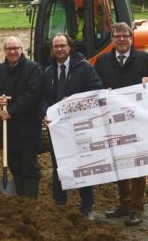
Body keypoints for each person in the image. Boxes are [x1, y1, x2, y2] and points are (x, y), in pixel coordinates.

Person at [94, 22, 148, 227]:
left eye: (125, 36)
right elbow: (97, 88)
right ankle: (123, 203)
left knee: (138, 164)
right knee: (119, 163)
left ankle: (136, 208)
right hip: (113, 122)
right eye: (117, 36)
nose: (121, 39)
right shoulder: (102, 61)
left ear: (132, 38)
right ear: (112, 39)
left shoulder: (146, 59)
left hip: (137, 121)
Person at [41, 33, 103, 219]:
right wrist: (44, 113)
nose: (59, 49)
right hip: (58, 129)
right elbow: (43, 97)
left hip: (80, 126)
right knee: (59, 167)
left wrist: (75, 101)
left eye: (62, 45)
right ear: (52, 50)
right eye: (56, 46)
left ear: (70, 47)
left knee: (83, 165)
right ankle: (60, 205)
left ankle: (87, 206)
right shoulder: (48, 72)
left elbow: (96, 89)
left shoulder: (84, 68)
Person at [0, 36, 43, 198]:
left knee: (29, 166)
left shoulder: (33, 69)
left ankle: (32, 200)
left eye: (15, 48)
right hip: (9, 129)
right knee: (14, 166)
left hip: (28, 127)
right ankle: (21, 198)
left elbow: (32, 94)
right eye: (9, 49)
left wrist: (12, 110)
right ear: (4, 51)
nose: (12, 51)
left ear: (21, 49)